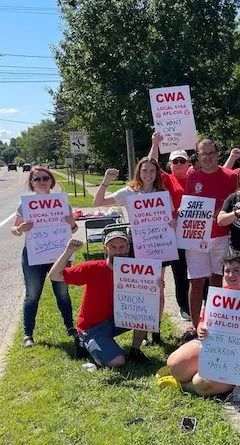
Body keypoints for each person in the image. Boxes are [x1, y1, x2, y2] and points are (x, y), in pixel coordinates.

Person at [166, 253, 240, 396]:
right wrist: (201, 329)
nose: (230, 275)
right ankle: (191, 377)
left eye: (236, 270)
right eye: (227, 271)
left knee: (201, 384)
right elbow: (204, 322)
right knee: (174, 365)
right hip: (213, 347)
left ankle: (188, 385)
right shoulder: (220, 295)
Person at [93, 156, 172, 345]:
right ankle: (141, 332)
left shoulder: (162, 193)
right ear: (139, 171)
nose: (148, 174)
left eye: (152, 171)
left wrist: (172, 222)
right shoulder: (129, 192)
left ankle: (156, 331)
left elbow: (170, 217)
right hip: (136, 245)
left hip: (159, 244)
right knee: (139, 290)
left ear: (157, 173)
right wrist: (106, 181)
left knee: (158, 288)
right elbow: (98, 202)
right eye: (144, 170)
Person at [49, 233, 149, 366]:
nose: (118, 251)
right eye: (113, 247)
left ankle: (135, 351)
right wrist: (69, 251)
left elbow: (147, 297)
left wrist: (155, 284)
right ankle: (83, 342)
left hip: (118, 319)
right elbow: (54, 275)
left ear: (127, 248)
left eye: (121, 246)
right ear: (105, 249)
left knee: (143, 314)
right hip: (92, 327)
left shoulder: (134, 270)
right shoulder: (93, 268)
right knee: (118, 362)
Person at [11, 166, 78, 348]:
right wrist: (20, 229)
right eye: (37, 179)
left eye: (45, 178)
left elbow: (73, 229)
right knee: (32, 295)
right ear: (31, 183)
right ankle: (28, 334)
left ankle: (70, 327)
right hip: (34, 254)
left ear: (51, 180)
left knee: (63, 292)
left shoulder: (63, 202)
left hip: (59, 254)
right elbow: (14, 229)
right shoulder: (25, 204)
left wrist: (72, 223)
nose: (41, 181)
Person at [183, 139, 238, 342]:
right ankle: (195, 326)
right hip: (196, 237)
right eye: (203, 154)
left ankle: (214, 323)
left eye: (211, 153)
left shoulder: (231, 176)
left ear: (217, 154)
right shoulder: (192, 177)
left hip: (221, 236)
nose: (207, 157)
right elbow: (188, 204)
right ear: (197, 156)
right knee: (196, 281)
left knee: (216, 280)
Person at [147, 132, 192, 322]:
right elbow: (150, 164)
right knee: (179, 269)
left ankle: (203, 301)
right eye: (175, 161)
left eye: (182, 160)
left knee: (198, 270)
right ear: (170, 165)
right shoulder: (166, 179)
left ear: (189, 163)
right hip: (173, 231)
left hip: (195, 230)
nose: (179, 163)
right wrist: (155, 143)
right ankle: (184, 305)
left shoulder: (195, 177)